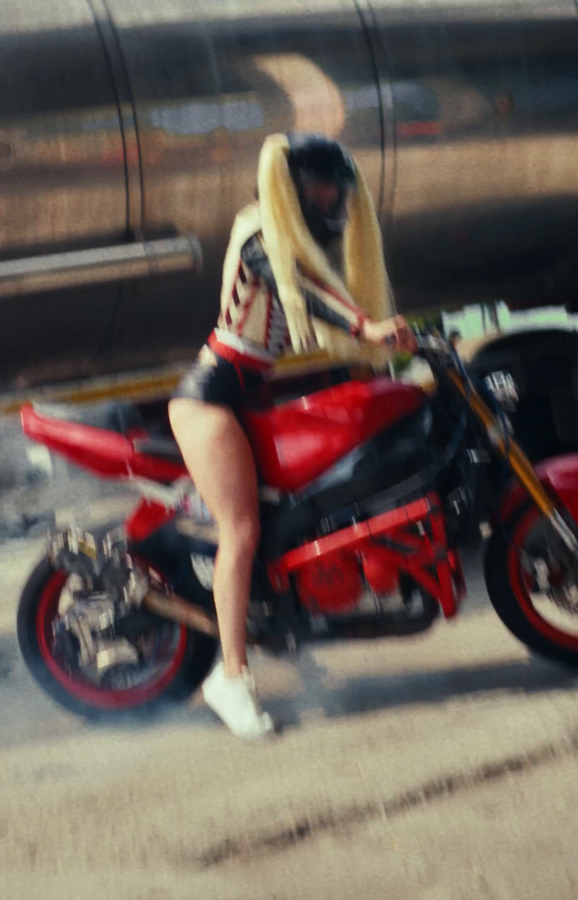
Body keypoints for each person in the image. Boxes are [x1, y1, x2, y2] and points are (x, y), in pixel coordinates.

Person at [168, 133, 412, 739]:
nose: (331, 198)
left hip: (250, 395)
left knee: (299, 510)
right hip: (212, 398)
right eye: (321, 187)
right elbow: (299, 291)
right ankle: (230, 677)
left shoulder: (289, 238)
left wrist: (380, 342)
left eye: (337, 187)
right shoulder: (259, 235)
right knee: (242, 530)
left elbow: (321, 289)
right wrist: (367, 326)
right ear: (293, 189)